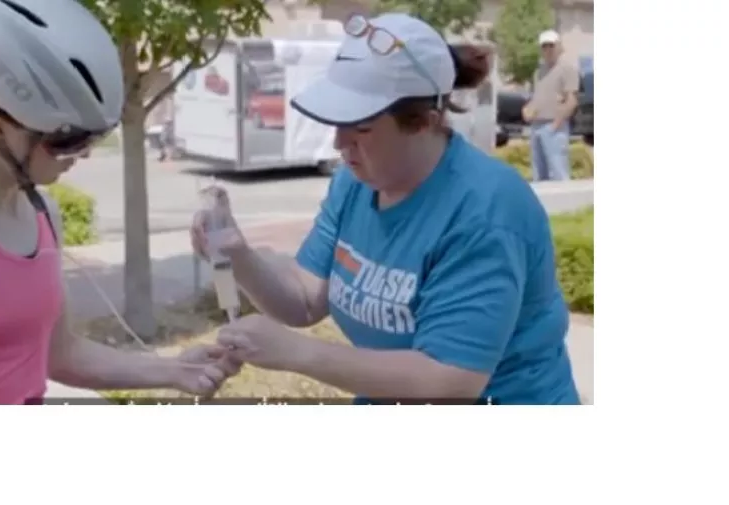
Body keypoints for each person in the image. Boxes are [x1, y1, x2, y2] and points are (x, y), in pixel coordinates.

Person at [192, 13, 581, 405]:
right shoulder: (356, 182)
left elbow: (451, 378)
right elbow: (306, 299)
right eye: (337, 120)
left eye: (361, 126)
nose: (339, 142)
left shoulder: (485, 211)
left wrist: (300, 353)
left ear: (424, 122)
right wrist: (237, 256)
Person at [0, 0, 240, 405]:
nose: (83, 155)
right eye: (67, 140)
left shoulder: (42, 214)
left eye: (93, 138)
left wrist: (175, 370)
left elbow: (62, 354)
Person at [522, 30, 579, 181]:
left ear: (559, 47)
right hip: (536, 126)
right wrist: (527, 110)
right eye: (544, 46)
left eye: (551, 45)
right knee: (538, 175)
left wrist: (555, 125)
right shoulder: (538, 72)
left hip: (554, 126)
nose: (548, 50)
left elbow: (571, 101)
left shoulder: (567, 69)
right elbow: (536, 98)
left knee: (558, 172)